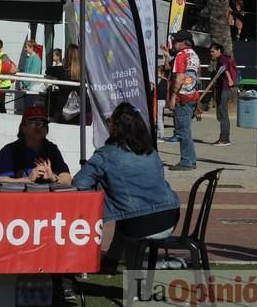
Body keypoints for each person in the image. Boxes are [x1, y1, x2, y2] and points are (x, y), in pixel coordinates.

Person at [73, 102, 180, 272]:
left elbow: (79, 183)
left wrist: (103, 188)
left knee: (127, 211)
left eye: (109, 121)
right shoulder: (151, 152)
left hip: (141, 225)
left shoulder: (106, 154)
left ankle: (134, 286)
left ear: (115, 127)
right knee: (127, 209)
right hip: (170, 217)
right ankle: (111, 260)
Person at [0, 106, 72, 184]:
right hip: (20, 196)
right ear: (23, 127)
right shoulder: (10, 150)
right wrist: (26, 180)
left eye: (43, 124)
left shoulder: (52, 149)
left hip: (47, 196)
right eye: (35, 123)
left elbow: (68, 179)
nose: (40, 127)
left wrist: (53, 177)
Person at [167, 30, 200, 171]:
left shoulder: (181, 55)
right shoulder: (194, 55)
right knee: (186, 130)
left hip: (182, 98)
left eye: (175, 41)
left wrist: (173, 96)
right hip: (192, 96)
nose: (173, 44)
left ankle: (186, 160)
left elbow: (180, 78)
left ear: (183, 42)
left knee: (182, 130)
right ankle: (191, 159)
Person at [209, 42, 235, 146]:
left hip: (224, 90)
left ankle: (224, 139)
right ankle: (223, 138)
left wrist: (229, 80)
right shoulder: (222, 59)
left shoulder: (222, 59)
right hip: (223, 90)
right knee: (221, 114)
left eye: (213, 51)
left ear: (219, 50)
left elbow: (225, 69)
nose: (211, 53)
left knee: (223, 115)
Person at [0, 38, 18, 113]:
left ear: (1, 48)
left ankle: (2, 116)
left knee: (0, 104)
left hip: (3, 84)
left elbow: (7, 69)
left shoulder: (3, 57)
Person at [156, 68, 168, 142]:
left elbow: (160, 92)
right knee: (159, 118)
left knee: (159, 119)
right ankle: (160, 135)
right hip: (161, 101)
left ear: (162, 73)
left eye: (158, 72)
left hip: (160, 101)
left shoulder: (163, 81)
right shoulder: (164, 81)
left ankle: (161, 136)